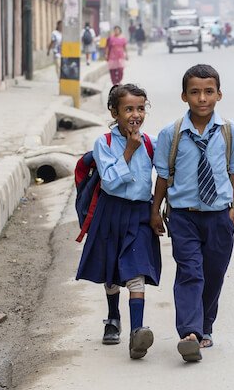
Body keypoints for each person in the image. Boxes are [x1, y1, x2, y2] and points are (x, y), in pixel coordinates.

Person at [151, 64, 234, 362]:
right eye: (195, 92)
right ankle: (189, 333)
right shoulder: (171, 134)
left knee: (214, 274)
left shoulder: (229, 131)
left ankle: (205, 327)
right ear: (184, 96)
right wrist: (156, 211)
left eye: (208, 91)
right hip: (184, 216)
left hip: (219, 216)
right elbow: (163, 177)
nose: (202, 98)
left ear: (219, 94)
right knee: (190, 271)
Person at [76, 83, 161, 360]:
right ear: (115, 111)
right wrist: (128, 152)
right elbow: (110, 182)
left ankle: (138, 333)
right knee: (111, 270)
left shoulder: (149, 143)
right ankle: (113, 317)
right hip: (110, 211)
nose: (135, 115)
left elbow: (167, 170)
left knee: (136, 271)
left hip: (138, 214)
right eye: (128, 109)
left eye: (140, 108)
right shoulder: (105, 143)